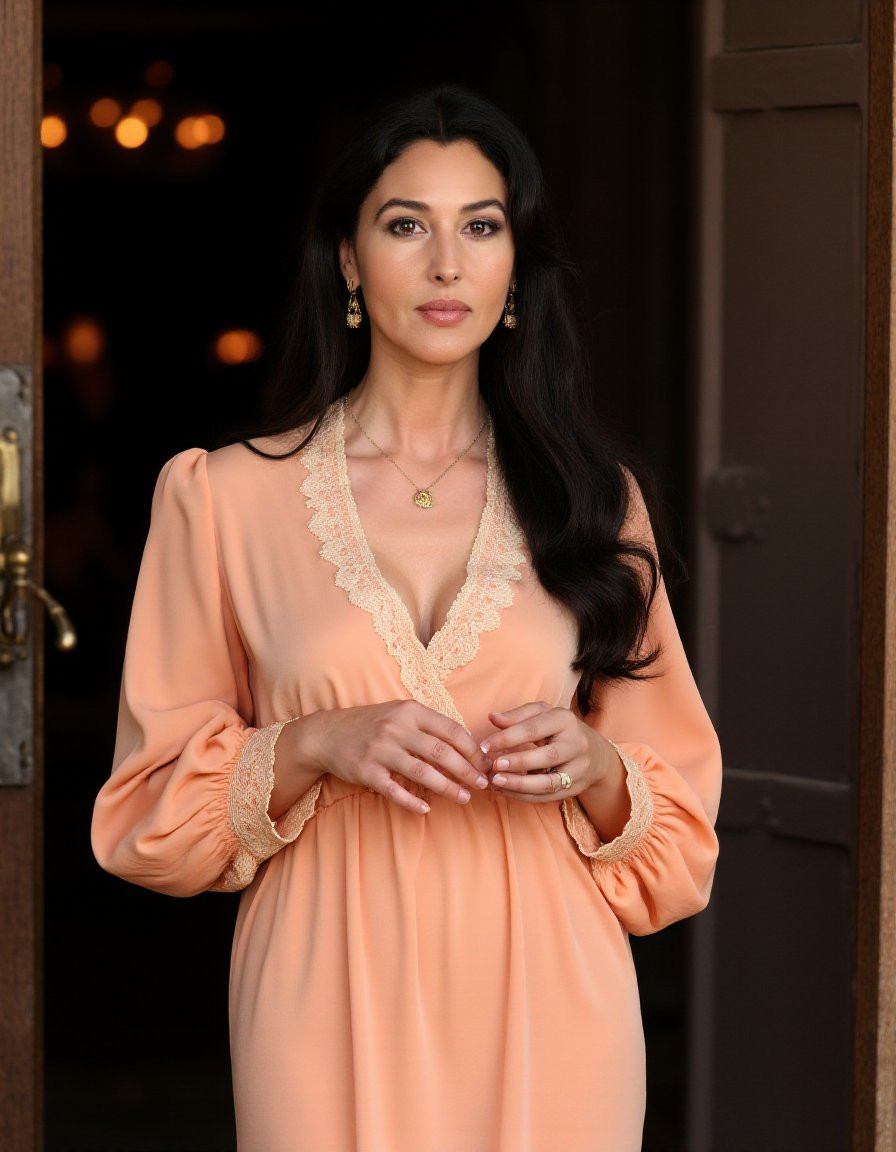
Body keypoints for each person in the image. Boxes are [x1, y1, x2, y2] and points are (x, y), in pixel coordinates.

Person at [91, 82, 722, 1152]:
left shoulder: (591, 498)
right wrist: (315, 741)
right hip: (322, 975)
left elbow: (681, 831)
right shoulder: (220, 497)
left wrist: (595, 764)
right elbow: (145, 815)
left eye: (480, 227)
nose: (445, 264)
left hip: (552, 983)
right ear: (347, 259)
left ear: (514, 266)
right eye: (403, 226)